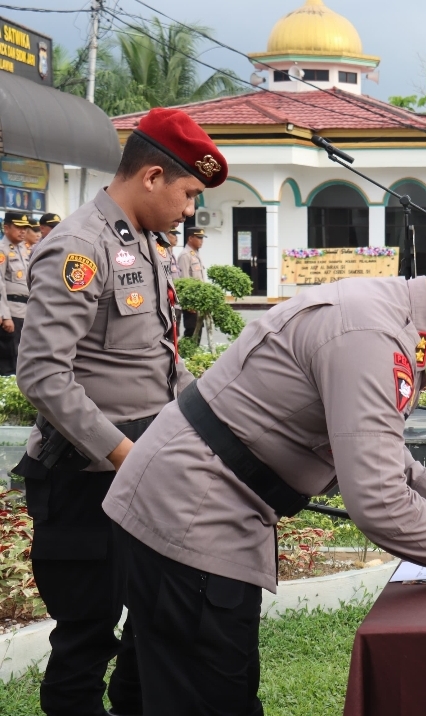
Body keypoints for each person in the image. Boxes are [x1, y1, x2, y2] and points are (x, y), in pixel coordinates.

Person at [103, 237, 426, 715]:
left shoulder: (384, 314)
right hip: (194, 512)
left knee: (152, 691)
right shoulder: (373, 335)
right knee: (209, 699)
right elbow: (377, 501)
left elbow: (361, 433)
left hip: (185, 496)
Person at [15, 107, 227, 716]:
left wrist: (209, 421)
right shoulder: (80, 247)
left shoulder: (144, 243)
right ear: (153, 176)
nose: (190, 210)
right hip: (88, 476)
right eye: (188, 193)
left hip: (142, 464)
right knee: (86, 638)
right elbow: (43, 374)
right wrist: (125, 456)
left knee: (150, 628)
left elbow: (157, 359)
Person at [0, 211, 32, 375]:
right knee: (11, 361)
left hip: (27, 312)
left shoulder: (27, 250)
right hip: (12, 313)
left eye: (25, 228)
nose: (23, 231)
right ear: (6, 228)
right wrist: (5, 315)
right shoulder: (2, 250)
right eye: (19, 227)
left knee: (25, 358)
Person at [177, 227, 206, 339]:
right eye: (199, 238)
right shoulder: (185, 255)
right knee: (191, 330)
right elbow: (184, 280)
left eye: (202, 238)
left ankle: (193, 354)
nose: (201, 240)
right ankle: (188, 355)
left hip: (198, 300)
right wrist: (189, 303)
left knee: (198, 329)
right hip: (191, 302)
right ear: (190, 238)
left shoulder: (195, 254)